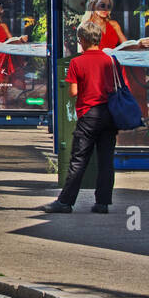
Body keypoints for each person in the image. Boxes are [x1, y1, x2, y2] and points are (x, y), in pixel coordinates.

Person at [44, 20, 125, 213]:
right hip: (109, 114)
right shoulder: (111, 60)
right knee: (106, 160)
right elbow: (117, 86)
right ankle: (102, 203)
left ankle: (65, 202)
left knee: (78, 160)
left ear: (82, 40)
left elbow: (72, 91)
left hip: (89, 115)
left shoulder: (77, 62)